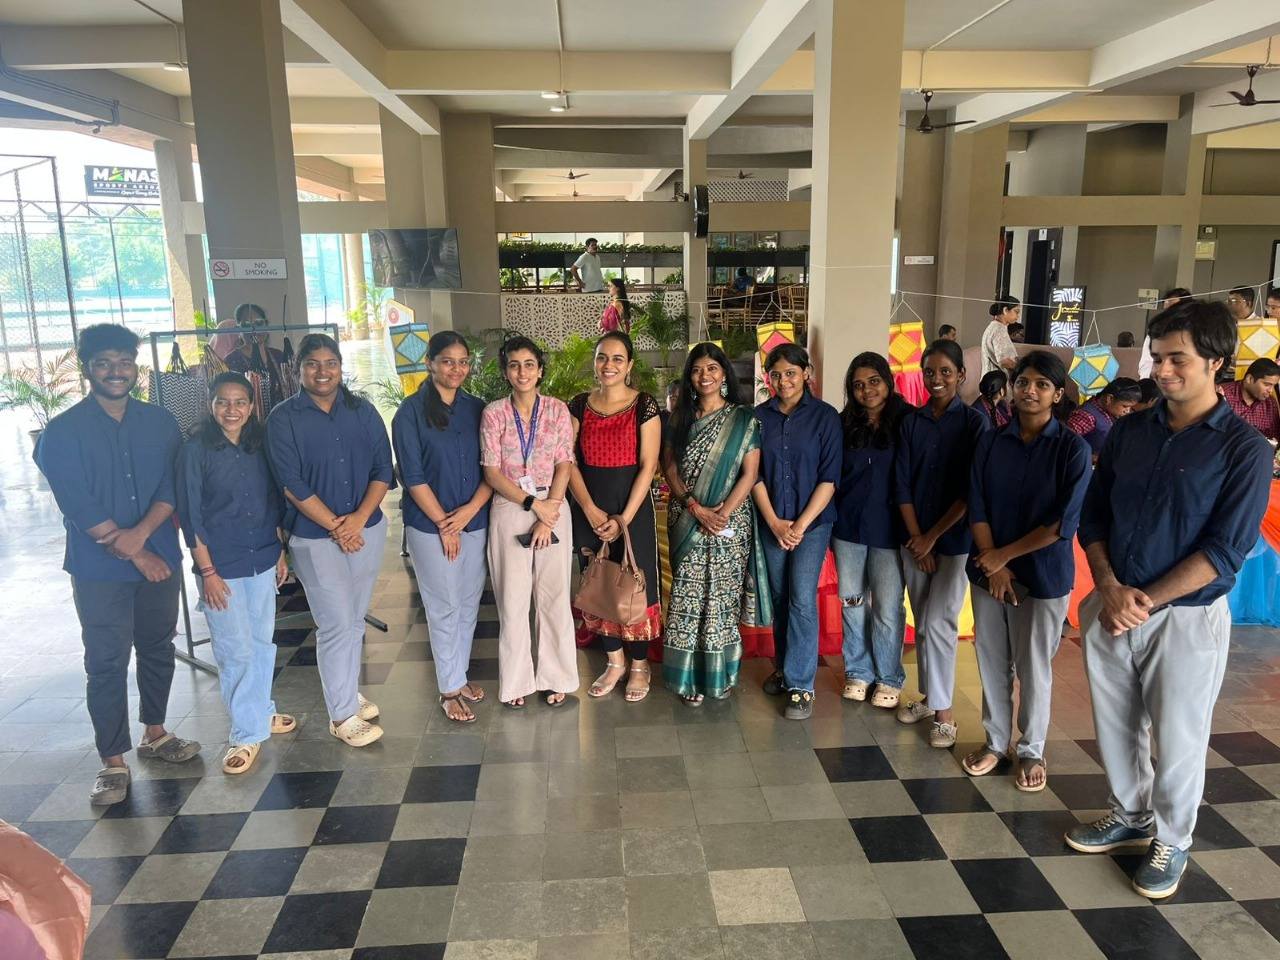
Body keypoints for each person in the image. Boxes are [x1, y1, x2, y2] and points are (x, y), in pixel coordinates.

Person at [1066, 299, 1272, 899]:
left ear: (1216, 361)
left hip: (1185, 617)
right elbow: (1094, 515)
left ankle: (1173, 839)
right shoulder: (1131, 431)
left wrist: (1144, 601)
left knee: (1178, 735)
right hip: (1112, 603)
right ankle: (1129, 815)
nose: (1162, 370)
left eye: (1177, 358)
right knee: (1115, 723)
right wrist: (1108, 588)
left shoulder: (1244, 449)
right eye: (1157, 357)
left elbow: (1226, 550)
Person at [34, 324, 199, 806]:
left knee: (157, 645)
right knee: (106, 661)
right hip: (98, 569)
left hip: (159, 557)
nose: (115, 371)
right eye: (104, 363)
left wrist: (143, 537)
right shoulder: (62, 431)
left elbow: (172, 485)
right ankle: (113, 761)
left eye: (124, 362)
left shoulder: (160, 422)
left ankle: (156, 733)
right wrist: (134, 550)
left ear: (135, 367)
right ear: (88, 367)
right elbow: (75, 500)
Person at [962, 352, 1091, 792]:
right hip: (987, 569)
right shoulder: (991, 442)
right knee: (991, 659)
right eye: (1022, 383)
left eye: (1041, 384)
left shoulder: (1072, 449)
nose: (1029, 391)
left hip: (1044, 574)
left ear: (1057, 393)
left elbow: (1061, 524)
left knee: (1033, 665)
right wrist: (992, 561)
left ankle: (1032, 748)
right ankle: (996, 742)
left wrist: (1004, 557)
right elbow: (977, 503)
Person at [266, 334, 393, 747]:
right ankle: (341, 716)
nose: (322, 372)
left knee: (353, 620)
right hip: (314, 539)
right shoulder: (283, 418)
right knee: (336, 623)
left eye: (330, 363)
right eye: (312, 364)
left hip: (366, 530)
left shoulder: (362, 411)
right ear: (298, 369)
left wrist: (357, 520)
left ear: (340, 366)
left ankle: (347, 692)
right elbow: (291, 483)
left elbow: (383, 469)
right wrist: (338, 527)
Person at [178, 372, 292, 775]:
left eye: (240, 402)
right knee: (234, 649)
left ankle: (262, 711)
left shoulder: (258, 445)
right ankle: (245, 733)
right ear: (210, 405)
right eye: (223, 402)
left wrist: (279, 552)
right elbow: (191, 516)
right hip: (220, 565)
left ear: (251, 406)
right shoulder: (195, 450)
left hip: (262, 555)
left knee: (261, 642)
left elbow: (272, 503)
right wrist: (207, 571)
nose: (232, 410)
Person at [392, 332, 492, 723]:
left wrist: (468, 513)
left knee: (468, 603)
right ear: (430, 362)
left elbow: (493, 467)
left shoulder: (477, 408)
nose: (456, 369)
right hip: (429, 526)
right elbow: (412, 476)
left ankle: (458, 676)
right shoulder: (410, 412)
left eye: (463, 361)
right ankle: (449, 689)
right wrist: (445, 525)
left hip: (474, 519)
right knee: (443, 606)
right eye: (447, 361)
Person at [895, 339, 990, 747]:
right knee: (923, 620)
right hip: (914, 539)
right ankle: (930, 699)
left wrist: (932, 538)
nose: (936, 379)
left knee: (939, 622)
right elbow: (901, 483)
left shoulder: (975, 425)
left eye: (946, 372)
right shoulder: (911, 423)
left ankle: (945, 715)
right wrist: (918, 538)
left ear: (961, 375)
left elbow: (973, 491)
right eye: (930, 372)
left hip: (954, 542)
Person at [662, 343, 768, 705]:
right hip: (687, 518)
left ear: (724, 373)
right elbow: (669, 467)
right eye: (696, 370)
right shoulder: (679, 417)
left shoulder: (743, 419)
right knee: (688, 598)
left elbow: (750, 473)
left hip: (730, 521)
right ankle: (688, 679)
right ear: (689, 377)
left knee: (722, 599)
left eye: (711, 368)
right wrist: (695, 507)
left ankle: (720, 676)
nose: (704, 375)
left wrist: (721, 513)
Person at [481, 336, 579, 708]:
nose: (522, 372)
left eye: (529, 364)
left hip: (553, 504)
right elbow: (491, 471)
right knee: (513, 599)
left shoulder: (557, 410)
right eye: (514, 365)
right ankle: (516, 683)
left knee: (554, 596)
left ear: (540, 370)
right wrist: (531, 504)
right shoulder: (494, 413)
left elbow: (564, 463)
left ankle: (557, 677)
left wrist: (548, 511)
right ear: (506, 372)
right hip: (510, 506)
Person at [568, 332, 663, 702]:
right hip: (589, 509)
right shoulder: (579, 405)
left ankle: (639, 664)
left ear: (630, 365)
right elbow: (568, 460)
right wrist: (590, 510)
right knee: (599, 583)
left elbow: (649, 465)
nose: (608, 365)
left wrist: (623, 518)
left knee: (634, 582)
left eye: (617, 358)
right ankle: (614, 662)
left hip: (632, 510)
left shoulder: (644, 405)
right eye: (602, 357)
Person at [752, 344, 842, 720]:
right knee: (779, 597)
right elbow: (753, 475)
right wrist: (775, 522)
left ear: (806, 373)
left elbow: (829, 478)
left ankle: (802, 686)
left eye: (791, 372)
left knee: (802, 598)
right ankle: (785, 669)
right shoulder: (758, 417)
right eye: (776, 374)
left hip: (813, 525)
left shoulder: (826, 417)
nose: (783, 381)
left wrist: (800, 525)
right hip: (772, 521)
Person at [833, 352, 910, 709]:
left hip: (890, 531)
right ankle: (858, 672)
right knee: (852, 602)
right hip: (848, 528)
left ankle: (888, 677)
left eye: (874, 381)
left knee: (887, 607)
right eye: (858, 385)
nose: (867, 390)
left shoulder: (907, 421)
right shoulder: (843, 424)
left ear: (888, 381)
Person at [1066, 378, 1141, 458]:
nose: (1127, 411)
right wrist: (1092, 457)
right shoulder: (1086, 417)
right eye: (1125, 406)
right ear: (1109, 399)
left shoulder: (1107, 412)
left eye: (1130, 408)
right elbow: (1065, 443)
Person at [1218, 357, 1280, 441]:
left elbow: (1274, 439)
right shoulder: (1222, 395)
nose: (1271, 390)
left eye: (1273, 386)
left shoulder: (1270, 403)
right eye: (1266, 385)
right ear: (1249, 379)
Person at [1139, 287, 1191, 378]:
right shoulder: (1154, 333)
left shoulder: (1195, 333)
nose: (1168, 314)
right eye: (1166, 310)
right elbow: (1145, 365)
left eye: (1173, 309)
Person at [981, 296, 1021, 377]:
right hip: (998, 380)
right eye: (1016, 311)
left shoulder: (994, 327)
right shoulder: (999, 330)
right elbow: (1004, 362)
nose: (1018, 316)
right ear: (1005, 310)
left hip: (990, 378)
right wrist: (1022, 368)